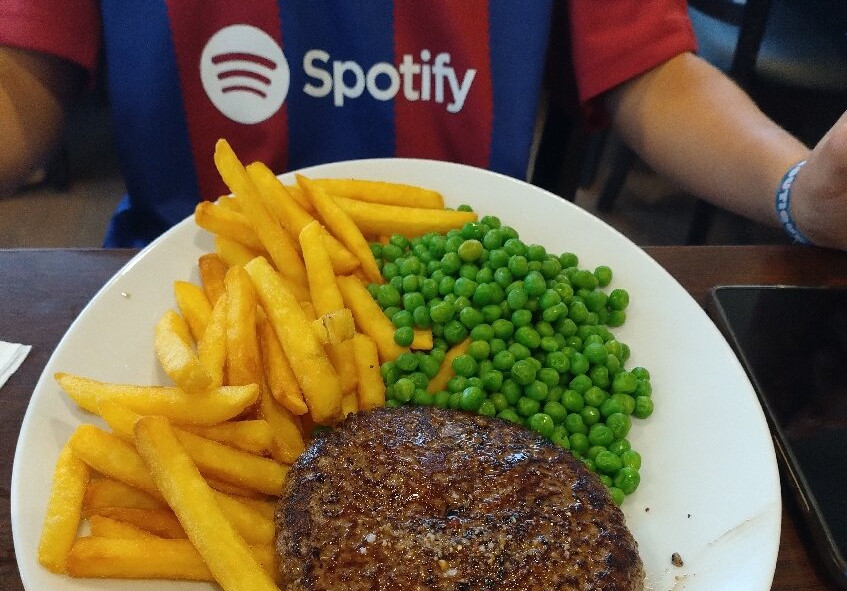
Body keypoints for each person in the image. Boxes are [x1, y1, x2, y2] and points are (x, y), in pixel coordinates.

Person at [0, 0, 845, 250]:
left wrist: (795, 190)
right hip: (181, 279)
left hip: (463, 292)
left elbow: (648, 69)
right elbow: (24, 76)